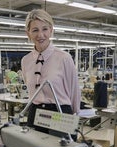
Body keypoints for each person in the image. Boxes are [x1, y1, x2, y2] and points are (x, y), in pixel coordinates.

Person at [21, 9, 80, 137]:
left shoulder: (64, 58)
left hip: (60, 113)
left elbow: (74, 90)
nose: (40, 35)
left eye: (45, 29)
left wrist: (74, 117)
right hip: (35, 112)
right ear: (28, 33)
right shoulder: (25, 61)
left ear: (51, 30)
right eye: (35, 30)